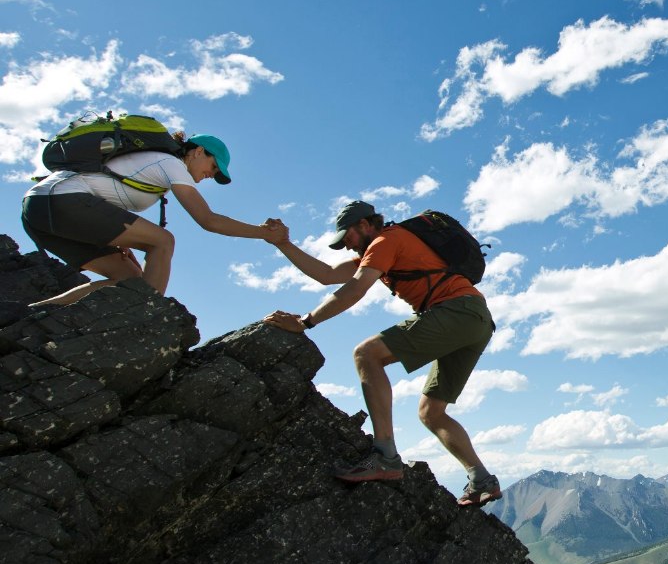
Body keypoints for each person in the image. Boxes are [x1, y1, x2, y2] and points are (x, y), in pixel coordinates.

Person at [263, 200, 502, 507]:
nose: (347, 247)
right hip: (476, 319)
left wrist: (305, 322)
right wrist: (284, 244)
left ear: (364, 225)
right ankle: (481, 478)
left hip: (456, 311)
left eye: (347, 237)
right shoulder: (385, 248)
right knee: (431, 413)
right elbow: (326, 274)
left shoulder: (386, 240)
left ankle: (384, 455)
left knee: (366, 354)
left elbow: (355, 289)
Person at [22, 131, 281, 307]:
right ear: (198, 151)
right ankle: (149, 316)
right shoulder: (170, 164)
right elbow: (208, 220)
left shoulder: (155, 170)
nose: (212, 175)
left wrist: (122, 240)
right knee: (163, 242)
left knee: (131, 284)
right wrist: (264, 233)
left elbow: (104, 194)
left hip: (39, 210)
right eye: (214, 166)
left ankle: (36, 313)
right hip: (61, 201)